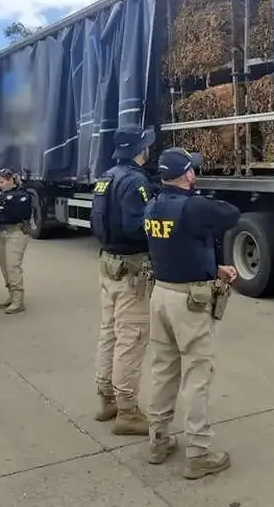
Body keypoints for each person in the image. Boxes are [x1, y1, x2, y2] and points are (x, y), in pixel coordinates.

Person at [143, 147, 241, 480]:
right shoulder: (191, 206)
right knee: (197, 375)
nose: (195, 174)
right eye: (193, 170)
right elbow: (230, 214)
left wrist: (216, 268)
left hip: (161, 294)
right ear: (187, 174)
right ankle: (199, 451)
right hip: (189, 302)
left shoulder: (153, 205)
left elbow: (181, 248)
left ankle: (158, 439)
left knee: (163, 369)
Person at [90, 127, 156, 436]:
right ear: (139, 151)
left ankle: (107, 398)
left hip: (108, 263)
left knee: (109, 333)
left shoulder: (106, 176)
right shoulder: (135, 180)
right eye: (146, 146)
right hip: (131, 267)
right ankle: (128, 410)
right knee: (131, 337)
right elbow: (135, 227)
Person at [0, 168, 32, 314]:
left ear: (10, 180)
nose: (0, 185)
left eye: (2, 182)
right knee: (4, 266)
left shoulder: (22, 195)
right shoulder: (1, 196)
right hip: (2, 232)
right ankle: (10, 295)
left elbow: (17, 213)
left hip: (16, 232)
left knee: (13, 265)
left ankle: (18, 300)